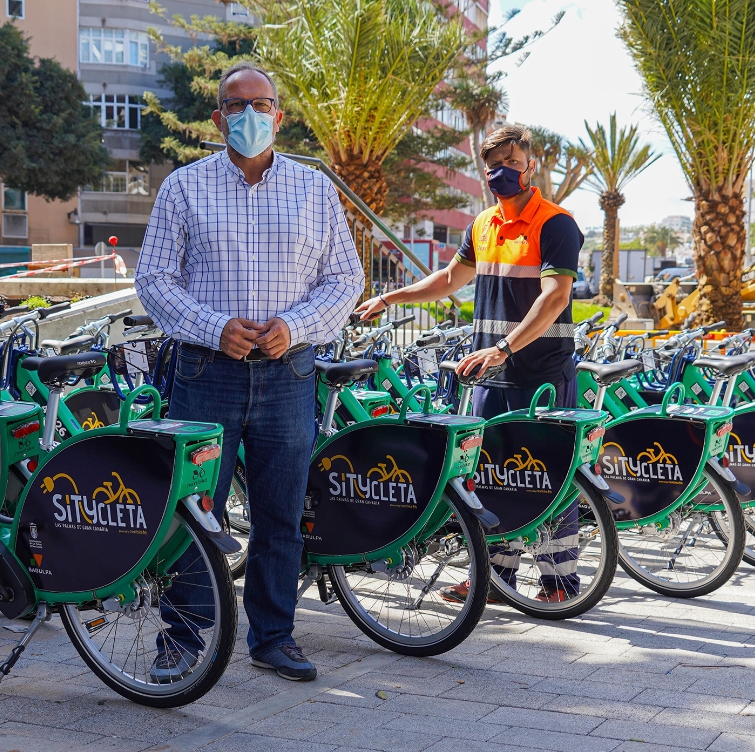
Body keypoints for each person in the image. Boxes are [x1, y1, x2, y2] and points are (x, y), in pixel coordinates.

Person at [136, 61, 364, 682]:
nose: (250, 116)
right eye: (237, 106)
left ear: (279, 117)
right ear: (218, 118)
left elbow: (345, 279)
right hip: (205, 371)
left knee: (280, 515)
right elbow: (154, 278)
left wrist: (297, 324)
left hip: (289, 373)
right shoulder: (184, 187)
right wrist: (214, 327)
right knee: (194, 510)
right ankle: (183, 638)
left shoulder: (315, 190)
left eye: (261, 105)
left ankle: (274, 637)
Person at [355, 125, 583, 603]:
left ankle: (560, 584)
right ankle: (498, 580)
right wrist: (390, 297)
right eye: (494, 166)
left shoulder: (555, 223)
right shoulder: (482, 225)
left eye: (512, 164)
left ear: (531, 167)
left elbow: (555, 297)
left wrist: (504, 348)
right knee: (490, 475)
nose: (503, 173)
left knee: (547, 475)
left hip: (540, 373)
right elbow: (447, 280)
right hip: (491, 375)